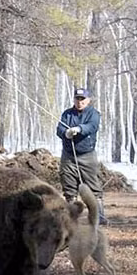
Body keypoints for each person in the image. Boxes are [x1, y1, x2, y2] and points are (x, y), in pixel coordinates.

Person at [56, 86, 106, 224]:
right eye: (77, 99)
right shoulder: (67, 114)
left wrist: (79, 129)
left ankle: (99, 216)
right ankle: (72, 218)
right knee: (69, 187)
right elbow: (59, 128)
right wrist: (65, 133)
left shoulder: (93, 113)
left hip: (87, 155)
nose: (80, 102)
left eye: (82, 99)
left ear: (88, 100)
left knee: (93, 187)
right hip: (68, 155)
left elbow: (92, 126)